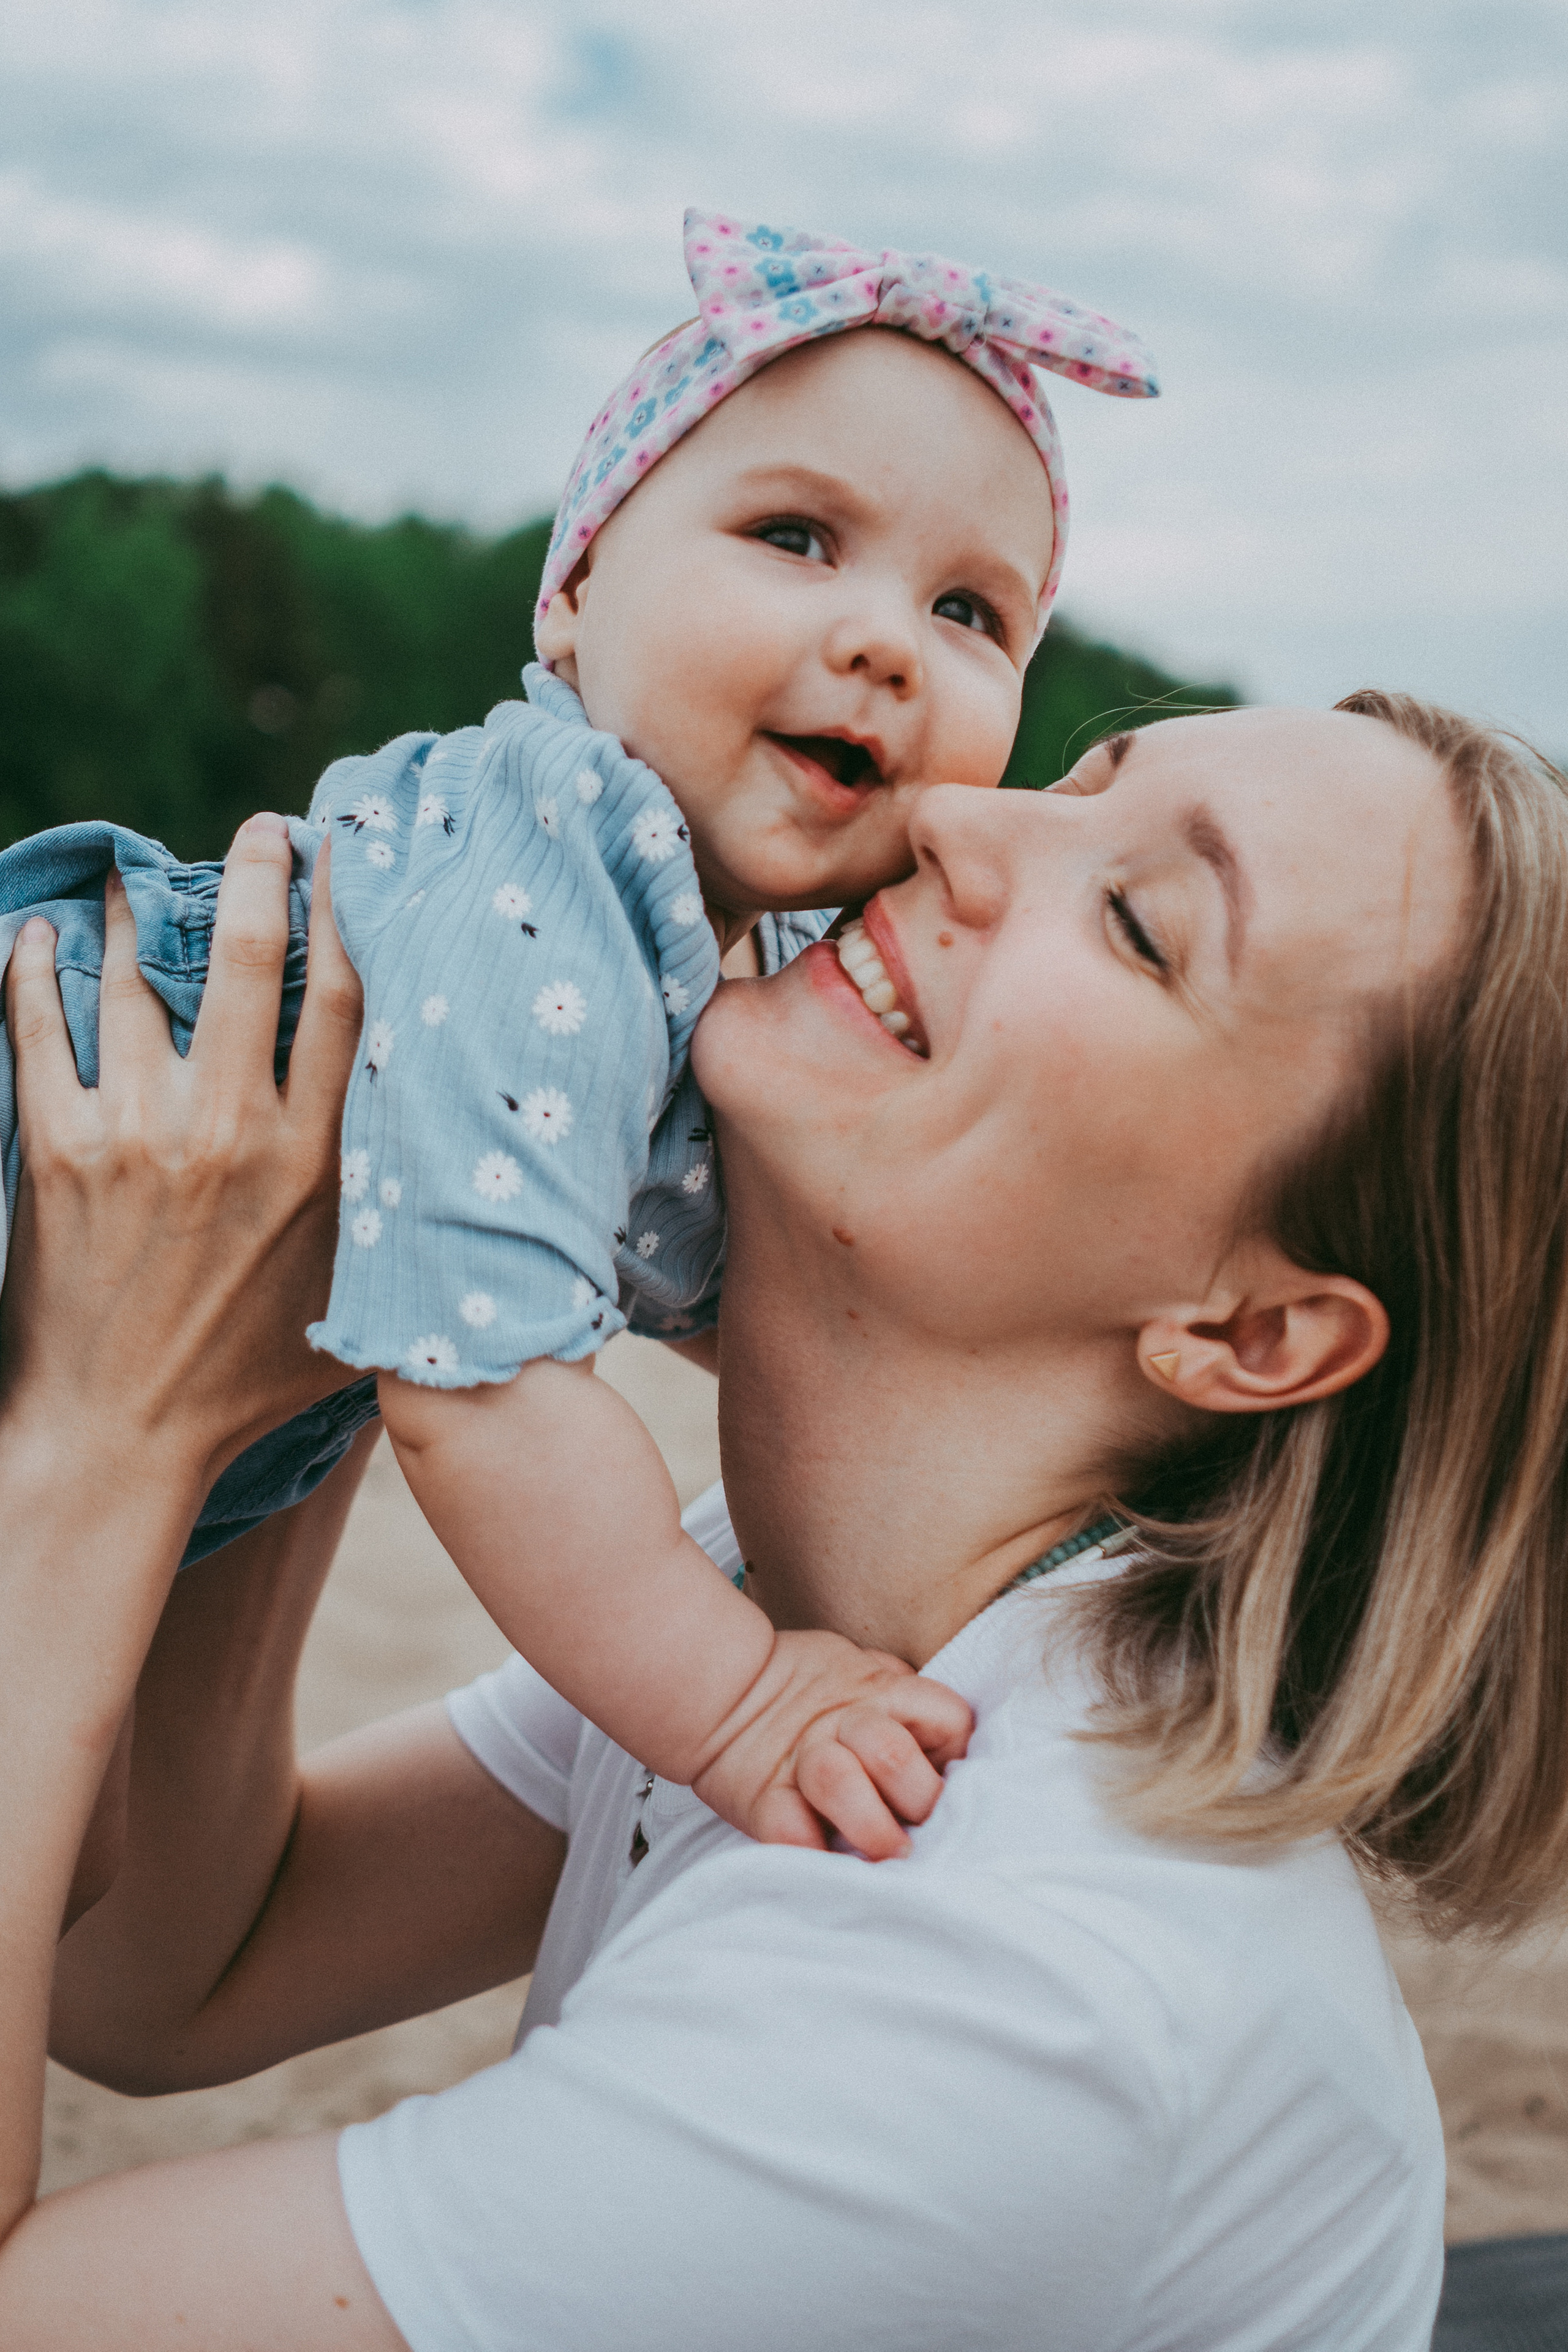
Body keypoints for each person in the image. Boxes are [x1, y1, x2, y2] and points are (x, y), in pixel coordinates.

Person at [5, 687, 1568, 2346]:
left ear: (1253, 1332)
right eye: (1081, 775)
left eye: (1138, 924)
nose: (958, 821)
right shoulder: (837, 1635)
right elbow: (181, 1966)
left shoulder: (1013, 1989)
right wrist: (357, 1254)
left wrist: (103, 1440)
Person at [0, 211, 1159, 1858]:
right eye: (795, 536)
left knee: (85, 1864)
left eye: (974, 613)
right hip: (49, 1118)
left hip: (144, 1323)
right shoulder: (561, 843)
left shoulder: (753, 950)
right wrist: (743, 1701)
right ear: (575, 596)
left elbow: (739, 1277)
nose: (890, 640)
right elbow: (478, 1387)